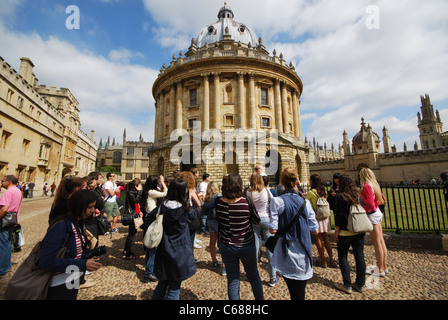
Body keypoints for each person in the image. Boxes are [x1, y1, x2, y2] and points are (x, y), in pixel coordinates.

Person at [39, 190, 102, 300]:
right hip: (58, 283)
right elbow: (46, 261)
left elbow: (74, 252)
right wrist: (83, 264)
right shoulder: (61, 226)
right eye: (90, 207)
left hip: (72, 278)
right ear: (79, 206)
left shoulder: (78, 223)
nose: (93, 210)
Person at [268, 167, 318, 300]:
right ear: (297, 182)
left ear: (282, 183)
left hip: (286, 254)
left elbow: (273, 228)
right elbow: (314, 228)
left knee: (294, 293)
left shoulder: (277, 201)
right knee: (299, 294)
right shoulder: (306, 203)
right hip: (304, 253)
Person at [216, 172, 264, 300]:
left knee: (233, 280)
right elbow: (257, 221)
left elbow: (219, 220)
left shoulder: (219, 202)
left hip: (226, 245)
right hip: (246, 244)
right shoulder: (246, 201)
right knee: (254, 276)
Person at [152, 178, 197, 300]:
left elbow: (149, 218)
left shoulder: (162, 207)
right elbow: (195, 221)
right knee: (174, 287)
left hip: (164, 248)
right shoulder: (185, 209)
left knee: (162, 283)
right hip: (180, 250)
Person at [333, 174, 367, 294]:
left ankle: (347, 285)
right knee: (360, 256)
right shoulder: (359, 197)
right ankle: (360, 284)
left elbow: (339, 216)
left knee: (343, 257)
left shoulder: (340, 197)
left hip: (345, 232)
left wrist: (336, 231)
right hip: (359, 231)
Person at [246, 173, 277, 286]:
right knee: (270, 249)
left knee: (254, 247)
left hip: (254, 220)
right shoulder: (267, 191)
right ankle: (273, 277)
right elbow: (273, 204)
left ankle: (254, 275)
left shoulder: (249, 193)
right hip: (266, 219)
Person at [359, 167, 388, 277]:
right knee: (381, 241)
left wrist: (361, 196)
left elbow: (369, 203)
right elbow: (382, 199)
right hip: (377, 213)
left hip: (372, 215)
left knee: (377, 243)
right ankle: (384, 267)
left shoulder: (366, 186)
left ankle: (380, 269)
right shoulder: (374, 184)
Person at [306, 174, 337, 268]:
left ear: (312, 181)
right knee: (326, 238)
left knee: (318, 238)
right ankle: (331, 260)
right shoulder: (324, 191)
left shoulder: (311, 192)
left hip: (316, 217)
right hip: (325, 217)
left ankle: (323, 261)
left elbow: (306, 204)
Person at [140, 175, 167, 283]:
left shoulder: (148, 191)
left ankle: (150, 270)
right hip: (152, 219)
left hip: (149, 217)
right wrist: (163, 182)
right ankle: (148, 273)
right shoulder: (151, 191)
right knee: (153, 246)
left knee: (150, 246)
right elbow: (166, 193)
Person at [0, 175, 22, 277]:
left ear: (8, 182)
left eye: (3, 181)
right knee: (8, 243)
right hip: (12, 220)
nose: (1, 183)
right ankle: (7, 265)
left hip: (5, 220)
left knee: (3, 244)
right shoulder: (18, 191)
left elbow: (4, 209)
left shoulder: (8, 192)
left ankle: (2, 269)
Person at [201, 181, 225, 275]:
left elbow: (204, 211)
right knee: (222, 243)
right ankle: (224, 266)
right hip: (217, 221)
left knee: (212, 241)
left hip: (209, 221)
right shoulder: (218, 196)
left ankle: (214, 261)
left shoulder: (207, 198)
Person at [123, 178, 142, 260]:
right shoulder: (130, 192)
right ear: (136, 186)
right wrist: (139, 191)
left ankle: (126, 250)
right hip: (132, 214)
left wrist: (139, 211)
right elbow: (135, 200)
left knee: (132, 232)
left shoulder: (132, 192)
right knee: (131, 234)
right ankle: (128, 253)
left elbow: (137, 203)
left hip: (135, 213)